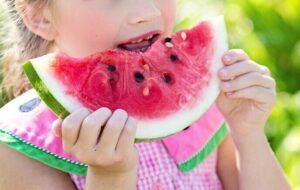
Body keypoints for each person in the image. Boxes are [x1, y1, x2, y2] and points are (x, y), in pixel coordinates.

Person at [0, 0, 290, 189]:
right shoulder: (19, 148)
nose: (147, 12)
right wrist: (111, 177)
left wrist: (249, 134)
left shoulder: (202, 109)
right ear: (38, 16)